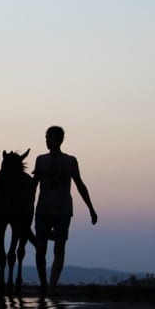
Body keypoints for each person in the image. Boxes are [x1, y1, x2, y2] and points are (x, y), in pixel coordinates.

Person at [33, 125, 97, 294]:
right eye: (46, 137)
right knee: (40, 249)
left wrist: (91, 208)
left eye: (50, 137)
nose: (47, 140)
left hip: (63, 209)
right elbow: (33, 185)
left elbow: (80, 185)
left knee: (59, 248)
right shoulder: (40, 160)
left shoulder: (70, 161)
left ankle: (51, 287)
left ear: (59, 140)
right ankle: (44, 284)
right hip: (43, 209)